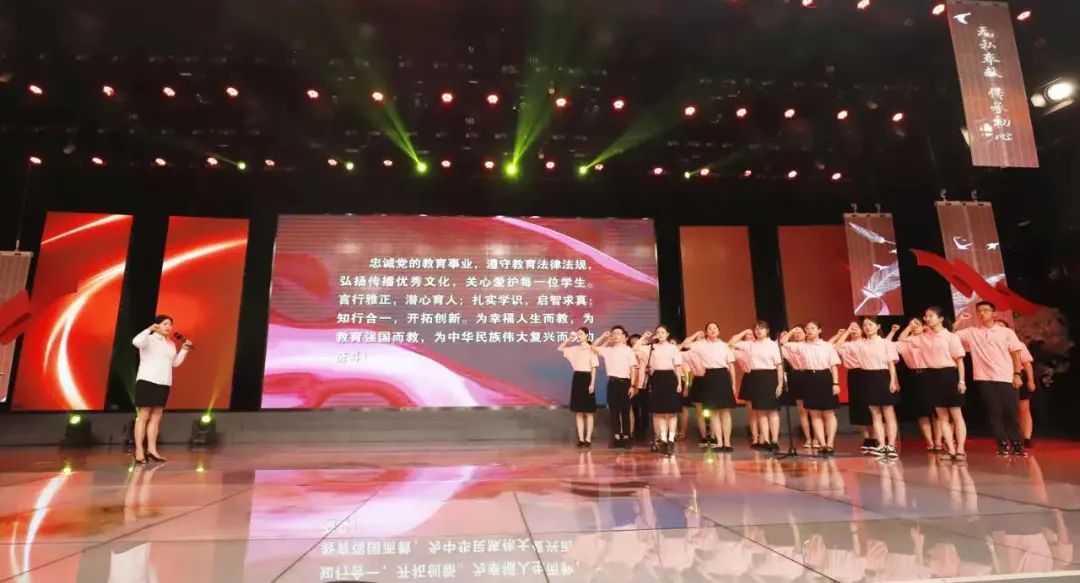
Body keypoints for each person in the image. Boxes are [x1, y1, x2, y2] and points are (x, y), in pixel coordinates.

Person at [955, 301, 1027, 456]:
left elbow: (1016, 353)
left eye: (986, 310)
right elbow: (949, 334)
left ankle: (1017, 443)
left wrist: (1017, 374)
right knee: (994, 413)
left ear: (994, 313)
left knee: (1011, 412)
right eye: (979, 311)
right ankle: (1002, 443)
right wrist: (960, 320)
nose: (982, 313)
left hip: (1006, 376)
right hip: (984, 378)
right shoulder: (972, 332)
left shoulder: (1006, 332)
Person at [835, 317, 901, 458]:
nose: (867, 327)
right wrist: (847, 331)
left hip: (883, 376)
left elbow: (891, 364)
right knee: (875, 414)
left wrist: (892, 381)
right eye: (865, 325)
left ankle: (891, 445)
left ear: (878, 326)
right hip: (867, 378)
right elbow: (837, 346)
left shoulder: (885, 343)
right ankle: (881, 445)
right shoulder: (860, 344)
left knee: (888, 413)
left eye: (870, 324)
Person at [131, 314, 191, 464]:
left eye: (170, 324)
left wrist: (184, 350)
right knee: (144, 415)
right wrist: (149, 329)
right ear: (157, 325)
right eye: (165, 324)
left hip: (164, 382)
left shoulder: (170, 343)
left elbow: (175, 363)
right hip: (147, 380)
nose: (168, 327)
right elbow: (135, 342)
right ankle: (139, 450)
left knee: (157, 416)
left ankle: (152, 450)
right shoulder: (148, 339)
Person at [910, 306, 968, 460]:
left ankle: (960, 449)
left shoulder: (951, 337)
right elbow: (902, 340)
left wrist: (961, 381)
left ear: (941, 319)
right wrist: (914, 328)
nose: (927, 318)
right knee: (942, 417)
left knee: (956, 414)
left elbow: (960, 361)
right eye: (926, 316)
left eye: (931, 316)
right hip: (932, 376)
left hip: (949, 375)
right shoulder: (923, 337)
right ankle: (951, 450)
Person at [779, 321, 841, 456]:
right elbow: (782, 343)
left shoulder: (827, 346)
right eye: (807, 328)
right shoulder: (802, 346)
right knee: (814, 413)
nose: (809, 330)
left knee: (828, 413)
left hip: (824, 377)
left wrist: (835, 383)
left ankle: (830, 443)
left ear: (819, 330)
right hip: (809, 378)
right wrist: (792, 331)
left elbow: (834, 365)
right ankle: (822, 444)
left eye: (813, 328)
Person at [681, 323, 738, 452]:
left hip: (723, 376)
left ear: (719, 331)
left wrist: (734, 383)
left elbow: (731, 366)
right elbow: (685, 344)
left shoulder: (724, 345)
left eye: (715, 328)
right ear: (706, 332)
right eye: (709, 329)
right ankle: (719, 442)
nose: (712, 330)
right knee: (713, 412)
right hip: (709, 376)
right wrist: (696, 334)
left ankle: (727, 442)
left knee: (725, 411)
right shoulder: (701, 345)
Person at [730, 321, 784, 452]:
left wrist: (780, 383)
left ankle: (774, 440)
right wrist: (744, 332)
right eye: (756, 329)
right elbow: (731, 343)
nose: (759, 331)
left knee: (773, 411)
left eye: (762, 328)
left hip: (770, 377)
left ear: (767, 330)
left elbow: (779, 365)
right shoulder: (750, 344)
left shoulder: (773, 345)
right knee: (760, 412)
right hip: (756, 377)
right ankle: (765, 441)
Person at [896, 318, 943, 452]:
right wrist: (909, 327)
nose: (914, 326)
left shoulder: (928, 339)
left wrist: (927, 330)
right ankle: (929, 442)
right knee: (922, 411)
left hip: (931, 374)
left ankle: (938, 441)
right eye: (912, 324)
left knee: (936, 411)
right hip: (915, 376)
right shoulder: (907, 341)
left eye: (917, 324)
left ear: (924, 326)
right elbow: (900, 340)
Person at [637, 325, 685, 455]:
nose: (660, 334)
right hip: (656, 378)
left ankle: (671, 440)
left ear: (667, 334)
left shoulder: (673, 348)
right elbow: (635, 348)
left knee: (672, 412)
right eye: (658, 332)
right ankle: (663, 439)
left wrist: (679, 383)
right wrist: (644, 337)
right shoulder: (651, 347)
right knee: (659, 412)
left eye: (663, 332)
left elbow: (678, 366)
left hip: (670, 378)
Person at [590, 326, 639, 450]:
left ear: (624, 337)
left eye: (619, 333)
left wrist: (633, 386)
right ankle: (616, 437)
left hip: (625, 383)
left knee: (625, 411)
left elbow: (633, 368)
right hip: (612, 383)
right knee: (614, 411)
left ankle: (626, 437)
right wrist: (604, 337)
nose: (616, 335)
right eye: (614, 333)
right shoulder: (608, 350)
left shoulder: (628, 350)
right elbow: (593, 347)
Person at [830, 322, 875, 454]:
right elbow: (835, 346)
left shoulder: (867, 342)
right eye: (851, 328)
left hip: (869, 373)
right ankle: (866, 438)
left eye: (856, 328)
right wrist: (847, 332)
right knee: (858, 406)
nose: (853, 330)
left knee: (872, 406)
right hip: (854, 375)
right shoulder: (847, 345)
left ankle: (875, 437)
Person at [994, 320, 1038, 448]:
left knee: (1023, 409)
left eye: (1002, 326)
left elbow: (1027, 364)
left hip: (1019, 376)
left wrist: (1030, 380)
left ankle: (1027, 437)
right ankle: (1009, 437)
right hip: (1001, 377)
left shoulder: (1018, 344)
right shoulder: (991, 346)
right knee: (1006, 410)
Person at [558, 327, 599, 447]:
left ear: (587, 335)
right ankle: (581, 439)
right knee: (578, 411)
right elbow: (560, 348)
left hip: (587, 378)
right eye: (578, 334)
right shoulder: (574, 349)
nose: (579, 336)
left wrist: (592, 383)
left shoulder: (591, 349)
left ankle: (588, 439)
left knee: (589, 411)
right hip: (577, 378)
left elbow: (594, 368)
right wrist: (569, 339)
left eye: (581, 334)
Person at [782, 326, 816, 449]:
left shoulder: (811, 345)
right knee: (802, 410)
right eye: (795, 333)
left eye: (800, 332)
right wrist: (790, 332)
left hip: (810, 374)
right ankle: (808, 438)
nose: (797, 334)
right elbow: (781, 343)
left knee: (814, 409)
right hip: (796, 375)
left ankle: (817, 438)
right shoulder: (790, 346)